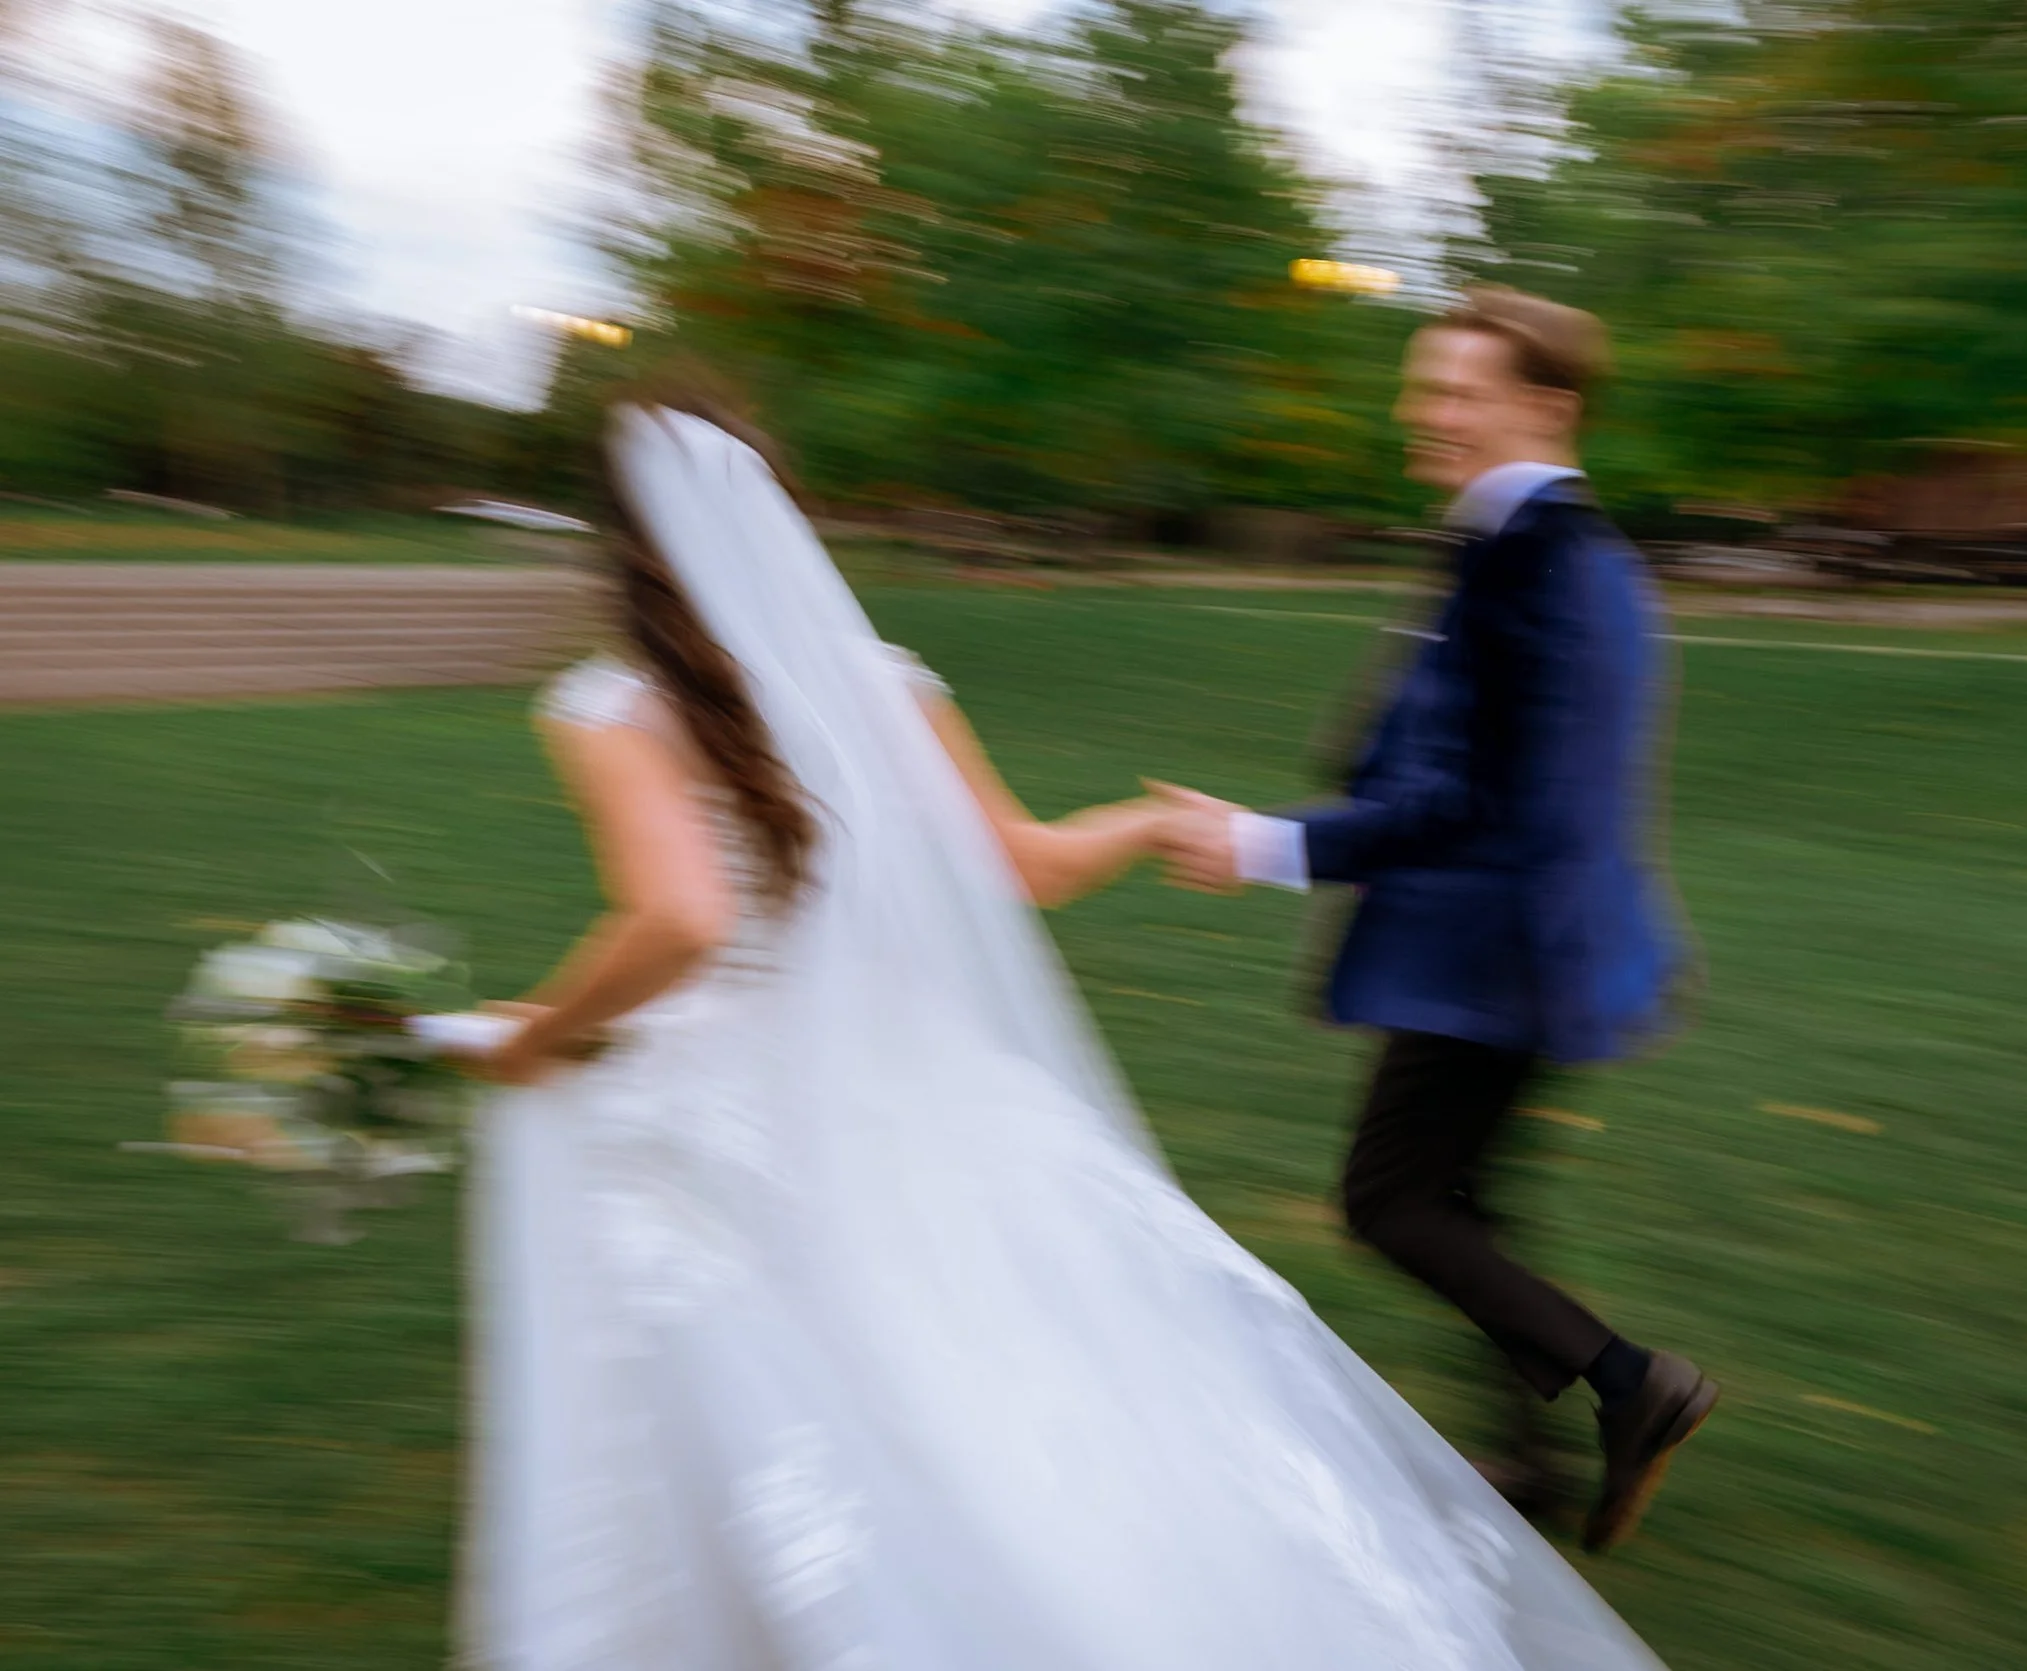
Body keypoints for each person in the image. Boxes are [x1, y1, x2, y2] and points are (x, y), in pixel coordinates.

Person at [446, 391, 1670, 1668]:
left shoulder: (609, 707)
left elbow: (685, 921)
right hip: (926, 1085)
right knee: (1007, 1365)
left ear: (620, 537)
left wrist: (537, 1033)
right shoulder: (881, 683)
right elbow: (1024, 864)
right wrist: (1145, 823)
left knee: (767, 1372)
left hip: (740, 1099)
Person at [1155, 287, 1714, 1554]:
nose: (1427, 413)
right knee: (1461, 1201)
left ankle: (1635, 1384)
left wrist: (1263, 844)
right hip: (1526, 941)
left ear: (1547, 407)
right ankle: (1526, 1450)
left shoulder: (1529, 564)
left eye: (1459, 392)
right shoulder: (1548, 546)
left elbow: (1461, 798)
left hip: (1494, 952)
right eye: (1424, 387)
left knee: (1391, 1201)